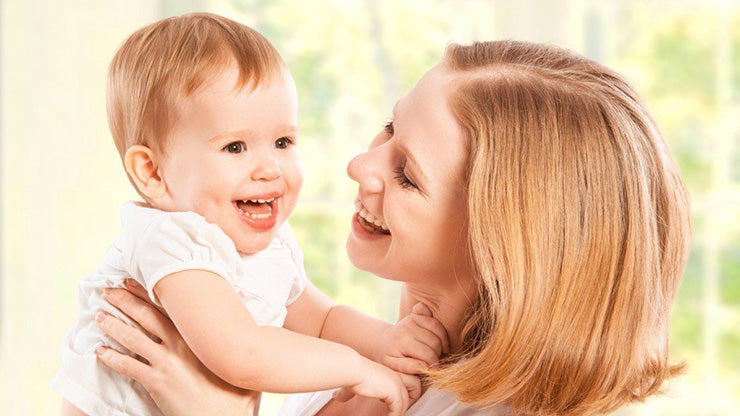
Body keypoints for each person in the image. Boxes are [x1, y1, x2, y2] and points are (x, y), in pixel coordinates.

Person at [92, 40, 692, 416]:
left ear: (502, 243)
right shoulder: (390, 362)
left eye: (406, 174)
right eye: (388, 128)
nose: (359, 165)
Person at [52, 13, 450, 416]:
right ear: (153, 173)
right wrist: (356, 369)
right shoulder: (173, 240)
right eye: (235, 147)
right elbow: (241, 353)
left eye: (282, 141)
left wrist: (385, 341)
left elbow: (323, 320)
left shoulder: (268, 242)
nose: (270, 168)